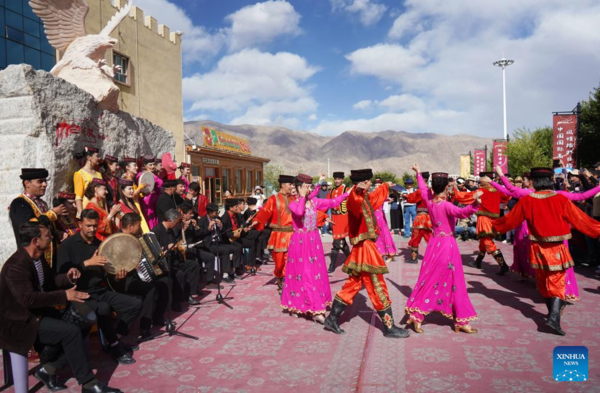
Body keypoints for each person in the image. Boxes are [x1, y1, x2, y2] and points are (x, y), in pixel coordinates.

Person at [0, 221, 122, 393]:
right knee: (70, 332)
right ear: (36, 241)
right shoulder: (16, 266)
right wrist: (65, 295)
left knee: (83, 322)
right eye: (48, 236)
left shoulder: (37, 258)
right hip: (21, 322)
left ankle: (48, 369)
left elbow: (51, 280)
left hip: (39, 313)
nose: (51, 239)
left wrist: (68, 278)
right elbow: (28, 299)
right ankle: (88, 384)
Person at [492, 167, 600, 335]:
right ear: (550, 180)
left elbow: (509, 221)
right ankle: (553, 319)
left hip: (537, 248)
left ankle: (552, 315)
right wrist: (597, 229)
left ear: (534, 181)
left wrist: (493, 226)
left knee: (543, 282)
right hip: (556, 248)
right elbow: (581, 219)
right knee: (557, 282)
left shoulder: (527, 200)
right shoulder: (560, 199)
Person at [324, 169, 410, 339]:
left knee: (353, 285)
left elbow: (375, 197)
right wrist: (358, 189)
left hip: (364, 248)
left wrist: (385, 186)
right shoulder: (354, 198)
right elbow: (355, 204)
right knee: (377, 285)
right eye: (369, 182)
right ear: (363, 182)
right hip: (365, 249)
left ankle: (332, 318)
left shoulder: (365, 197)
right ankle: (389, 326)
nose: (371, 184)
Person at [56, 209, 141, 365]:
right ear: (79, 224)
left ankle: (114, 339)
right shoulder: (67, 246)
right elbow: (62, 276)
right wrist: (87, 263)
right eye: (88, 225)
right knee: (103, 308)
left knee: (135, 304)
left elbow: (107, 277)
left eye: (95, 226)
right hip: (79, 295)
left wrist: (117, 276)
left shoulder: (100, 245)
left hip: (100, 291)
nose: (92, 229)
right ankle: (115, 346)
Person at [405, 165, 481, 334]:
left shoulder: (430, 203)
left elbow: (423, 189)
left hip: (433, 245)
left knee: (429, 279)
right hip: (448, 245)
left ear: (433, 188)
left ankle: (417, 315)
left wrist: (418, 173)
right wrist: (476, 204)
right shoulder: (446, 205)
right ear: (446, 187)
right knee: (457, 282)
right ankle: (461, 320)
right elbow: (462, 213)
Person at [283, 174, 348, 323]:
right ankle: (301, 305)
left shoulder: (314, 202)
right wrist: (301, 196)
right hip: (299, 241)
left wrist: (347, 194)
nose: (308, 189)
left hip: (314, 241)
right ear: (299, 188)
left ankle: (315, 305)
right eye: (305, 187)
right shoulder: (293, 203)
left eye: (309, 187)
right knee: (301, 272)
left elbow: (332, 202)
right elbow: (299, 213)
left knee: (315, 273)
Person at [118, 213, 169, 340]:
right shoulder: (118, 240)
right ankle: (144, 328)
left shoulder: (134, 238)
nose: (140, 228)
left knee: (164, 282)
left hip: (136, 276)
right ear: (130, 226)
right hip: (123, 280)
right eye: (138, 225)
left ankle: (157, 317)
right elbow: (115, 263)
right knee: (150, 288)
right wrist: (130, 264)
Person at [453, 172, 511, 275]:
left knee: (488, 243)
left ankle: (504, 266)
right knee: (483, 242)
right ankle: (478, 262)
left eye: (479, 183)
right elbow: (507, 196)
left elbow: (463, 197)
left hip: (484, 220)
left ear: (482, 184)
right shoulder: (497, 192)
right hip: (494, 221)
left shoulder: (481, 191)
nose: (478, 185)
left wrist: (454, 189)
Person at [9, 168, 66, 268]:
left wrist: (56, 234)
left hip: (48, 261)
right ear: (27, 183)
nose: (45, 185)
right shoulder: (19, 203)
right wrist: (52, 214)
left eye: (45, 181)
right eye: (40, 181)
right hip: (33, 260)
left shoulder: (42, 204)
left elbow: (46, 228)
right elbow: (28, 227)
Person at [151, 209, 201, 308]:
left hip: (174, 259)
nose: (177, 223)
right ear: (170, 221)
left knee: (193, 265)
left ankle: (189, 294)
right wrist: (166, 248)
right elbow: (153, 252)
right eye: (177, 221)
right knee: (179, 274)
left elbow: (175, 242)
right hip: (165, 263)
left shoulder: (171, 230)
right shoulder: (156, 231)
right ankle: (175, 301)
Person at [197, 203, 241, 285]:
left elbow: (224, 231)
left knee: (237, 247)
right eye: (215, 212)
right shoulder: (202, 221)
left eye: (217, 212)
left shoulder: (218, 218)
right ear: (209, 213)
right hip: (209, 244)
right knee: (225, 250)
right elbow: (200, 234)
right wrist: (208, 228)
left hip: (219, 242)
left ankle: (234, 270)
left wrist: (220, 225)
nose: (217, 214)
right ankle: (225, 274)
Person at [405, 172, 433, 263]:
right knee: (430, 238)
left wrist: (406, 196)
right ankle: (434, 257)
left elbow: (412, 199)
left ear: (423, 179)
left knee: (416, 237)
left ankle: (414, 258)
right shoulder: (431, 190)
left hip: (420, 218)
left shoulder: (421, 191)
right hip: (429, 217)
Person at [327, 172, 351, 273]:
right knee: (341, 241)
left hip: (344, 218)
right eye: (335, 179)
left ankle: (332, 265)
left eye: (338, 179)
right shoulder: (331, 191)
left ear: (342, 180)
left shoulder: (347, 190)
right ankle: (350, 259)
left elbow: (353, 203)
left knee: (336, 242)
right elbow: (325, 203)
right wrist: (323, 216)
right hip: (334, 218)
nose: (336, 180)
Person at [73, 146, 103, 217]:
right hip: (87, 211)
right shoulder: (80, 174)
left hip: (100, 210)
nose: (99, 158)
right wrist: (81, 214)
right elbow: (78, 197)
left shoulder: (99, 174)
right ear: (89, 157)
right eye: (97, 156)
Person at [219, 199, 247, 275]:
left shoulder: (236, 216)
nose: (237, 208)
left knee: (243, 244)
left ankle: (237, 267)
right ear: (230, 208)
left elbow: (238, 227)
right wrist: (233, 235)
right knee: (238, 246)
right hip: (227, 240)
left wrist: (243, 229)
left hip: (236, 237)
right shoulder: (225, 217)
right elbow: (224, 232)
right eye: (235, 206)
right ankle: (233, 270)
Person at [374, 180, 398, 262]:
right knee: (376, 235)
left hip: (380, 216)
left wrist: (388, 199)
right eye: (376, 185)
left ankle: (389, 254)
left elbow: (389, 199)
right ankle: (379, 253)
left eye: (379, 185)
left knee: (384, 233)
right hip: (373, 216)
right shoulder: (373, 194)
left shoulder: (382, 194)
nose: (377, 186)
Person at [137, 157, 163, 228]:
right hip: (147, 201)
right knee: (149, 219)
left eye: (153, 164)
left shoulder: (153, 174)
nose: (152, 167)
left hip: (155, 200)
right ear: (145, 165)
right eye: (150, 165)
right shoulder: (141, 175)